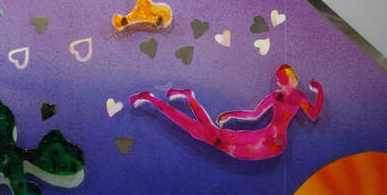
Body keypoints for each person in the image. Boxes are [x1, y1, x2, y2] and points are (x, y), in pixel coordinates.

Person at [129, 64, 323, 160]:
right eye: (281, 79)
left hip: (273, 145)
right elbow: (254, 115)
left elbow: (313, 115)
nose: (283, 82)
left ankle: (177, 98)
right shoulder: (275, 96)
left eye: (285, 78)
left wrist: (319, 92)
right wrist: (231, 115)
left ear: (293, 79)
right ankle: (168, 98)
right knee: (206, 134)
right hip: (261, 137)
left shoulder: (299, 98)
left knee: (208, 134)